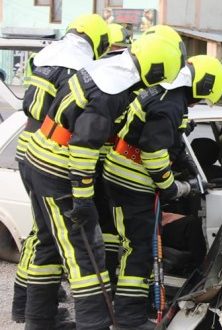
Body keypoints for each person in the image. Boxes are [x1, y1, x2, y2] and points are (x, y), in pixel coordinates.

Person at [21, 25, 185, 330]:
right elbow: (84, 145)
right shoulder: (112, 91)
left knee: (48, 243)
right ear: (156, 66)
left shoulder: (108, 70)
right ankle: (92, 324)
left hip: (41, 156)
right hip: (58, 168)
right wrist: (83, 199)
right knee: (85, 253)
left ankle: (39, 321)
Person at [102, 55, 222, 328]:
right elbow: (155, 153)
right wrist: (173, 186)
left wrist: (187, 167)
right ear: (204, 85)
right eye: (203, 99)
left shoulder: (170, 96)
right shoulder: (170, 104)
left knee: (139, 247)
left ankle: (133, 306)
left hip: (128, 177)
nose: (198, 104)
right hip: (131, 180)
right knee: (140, 249)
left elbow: (173, 143)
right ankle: (129, 319)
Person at [12, 13, 110, 327]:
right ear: (97, 39)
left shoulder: (44, 56)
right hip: (53, 152)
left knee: (44, 235)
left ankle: (34, 313)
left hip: (28, 145)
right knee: (71, 243)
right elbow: (76, 120)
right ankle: (68, 318)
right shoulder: (79, 67)